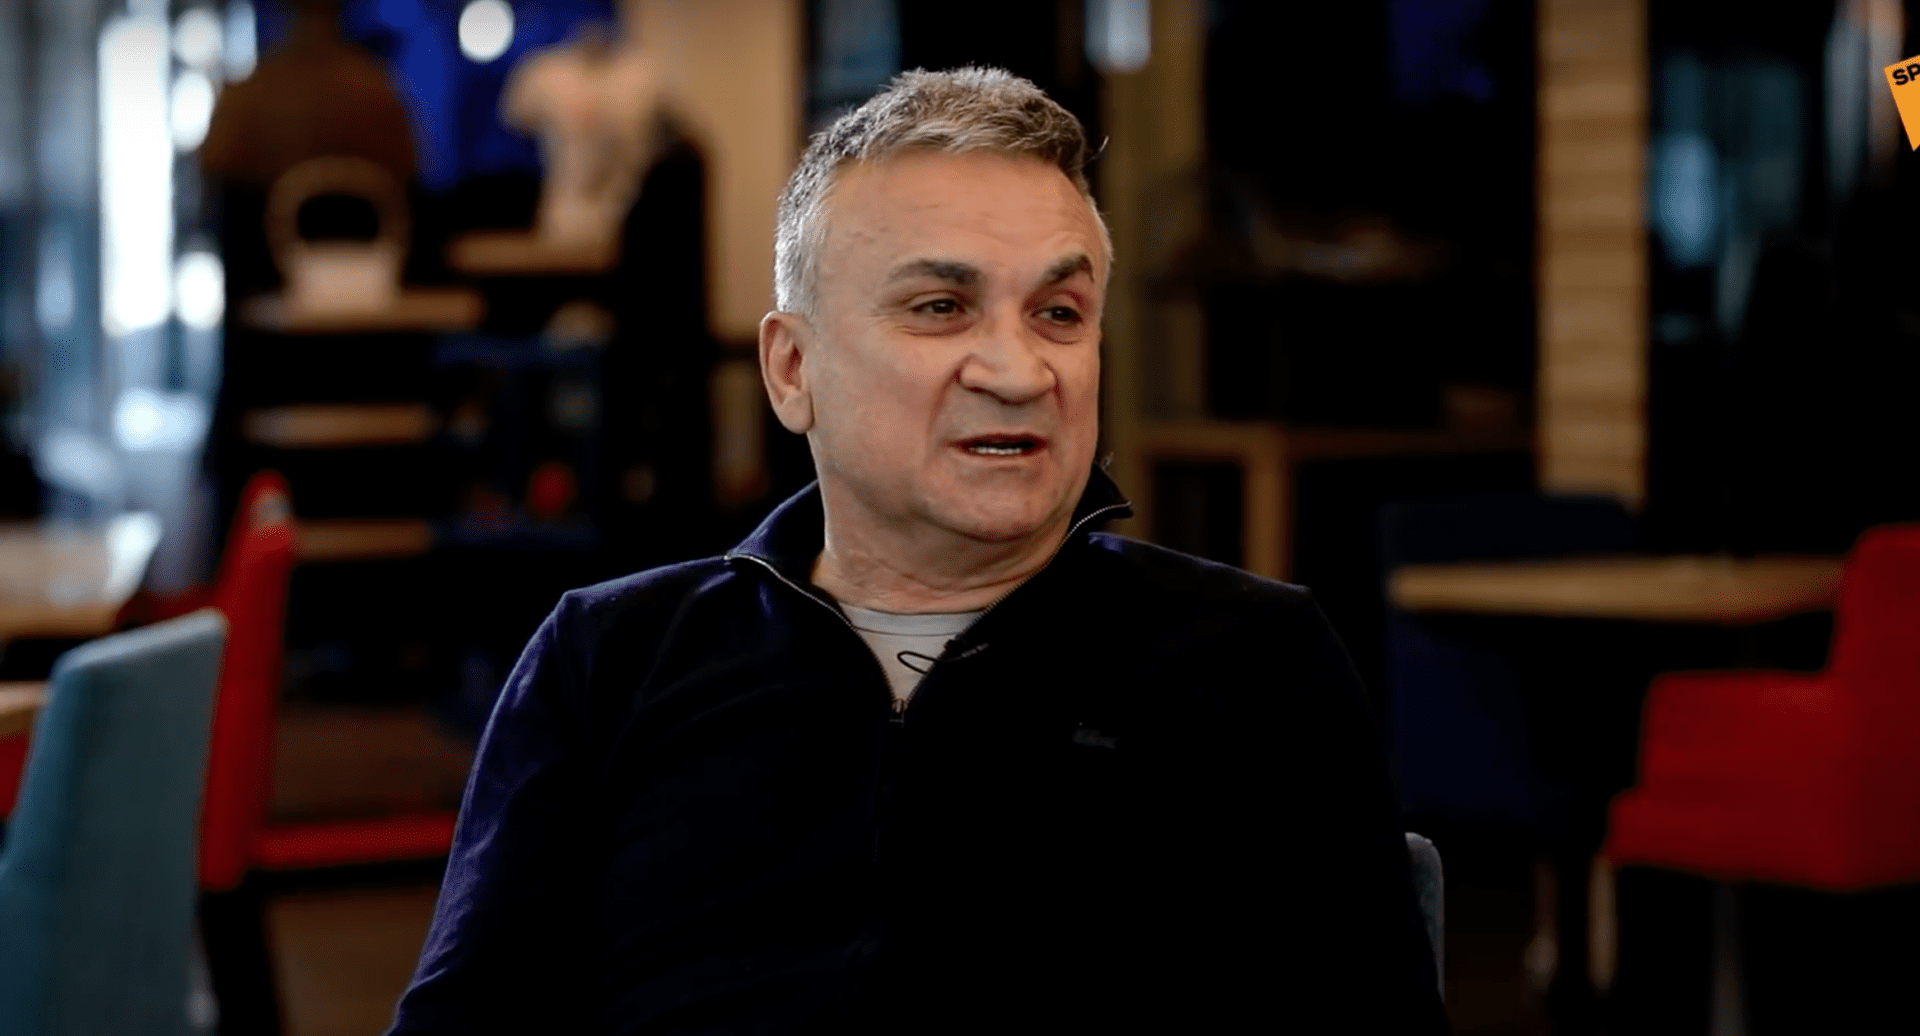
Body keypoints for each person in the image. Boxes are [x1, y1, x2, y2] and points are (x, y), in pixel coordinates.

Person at [388, 67, 1446, 1034]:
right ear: (792, 370)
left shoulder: (1252, 659)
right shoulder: (608, 659)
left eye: (1059, 312)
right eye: (941, 308)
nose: (1018, 370)